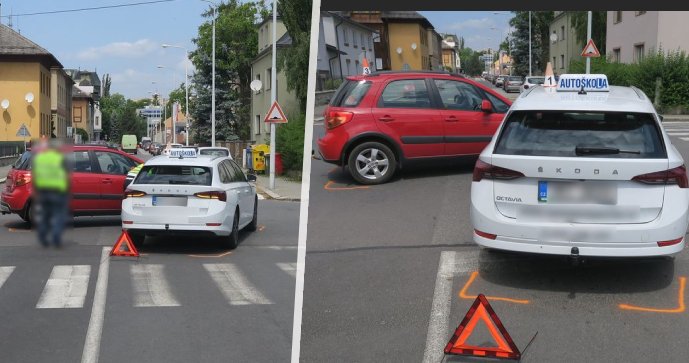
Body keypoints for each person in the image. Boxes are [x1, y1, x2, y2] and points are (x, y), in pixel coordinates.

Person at [32, 138, 69, 248]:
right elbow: (65, 175)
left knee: (45, 216)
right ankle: (56, 238)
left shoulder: (40, 158)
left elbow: (35, 175)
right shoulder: (60, 158)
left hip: (43, 191)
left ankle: (42, 237)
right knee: (59, 215)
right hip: (57, 191)